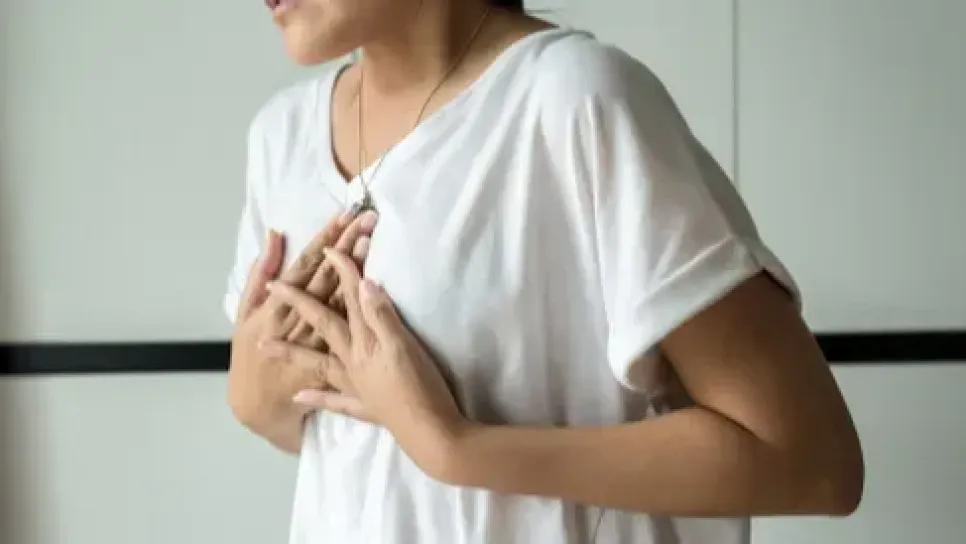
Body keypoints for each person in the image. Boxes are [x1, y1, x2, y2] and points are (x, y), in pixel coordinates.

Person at [224, 0, 865, 542]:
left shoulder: (575, 99)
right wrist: (252, 398)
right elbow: (348, 440)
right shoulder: (281, 138)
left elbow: (811, 460)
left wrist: (459, 448)